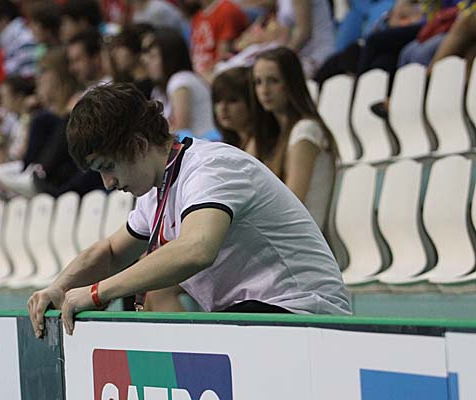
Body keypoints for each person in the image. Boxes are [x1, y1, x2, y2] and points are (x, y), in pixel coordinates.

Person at [27, 82, 350, 338]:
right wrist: (59, 287)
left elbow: (197, 249)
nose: (108, 183)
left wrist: (98, 292)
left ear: (138, 145)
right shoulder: (157, 191)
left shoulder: (211, 167)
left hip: (303, 314)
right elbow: (111, 252)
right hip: (256, 316)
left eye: (107, 167)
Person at [251, 48, 337, 229]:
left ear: (291, 82)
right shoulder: (275, 135)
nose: (264, 90)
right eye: (258, 82)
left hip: (299, 239)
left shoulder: (305, 131)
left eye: (273, 81)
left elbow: (291, 203)